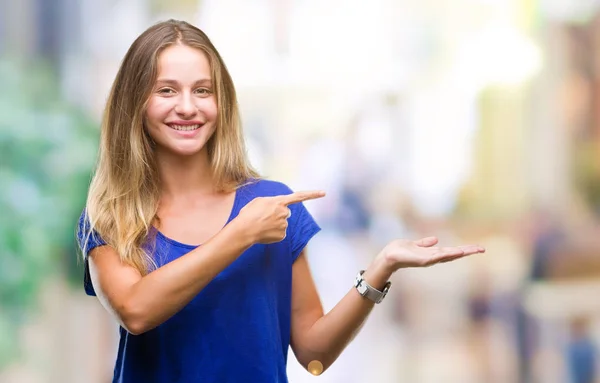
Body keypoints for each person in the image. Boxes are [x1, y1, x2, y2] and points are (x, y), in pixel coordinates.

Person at [77, 19, 485, 383]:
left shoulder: (271, 204)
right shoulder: (112, 214)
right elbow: (136, 311)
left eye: (203, 91)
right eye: (166, 90)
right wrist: (240, 234)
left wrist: (380, 269)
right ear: (136, 103)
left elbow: (314, 355)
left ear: (222, 103)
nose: (188, 106)